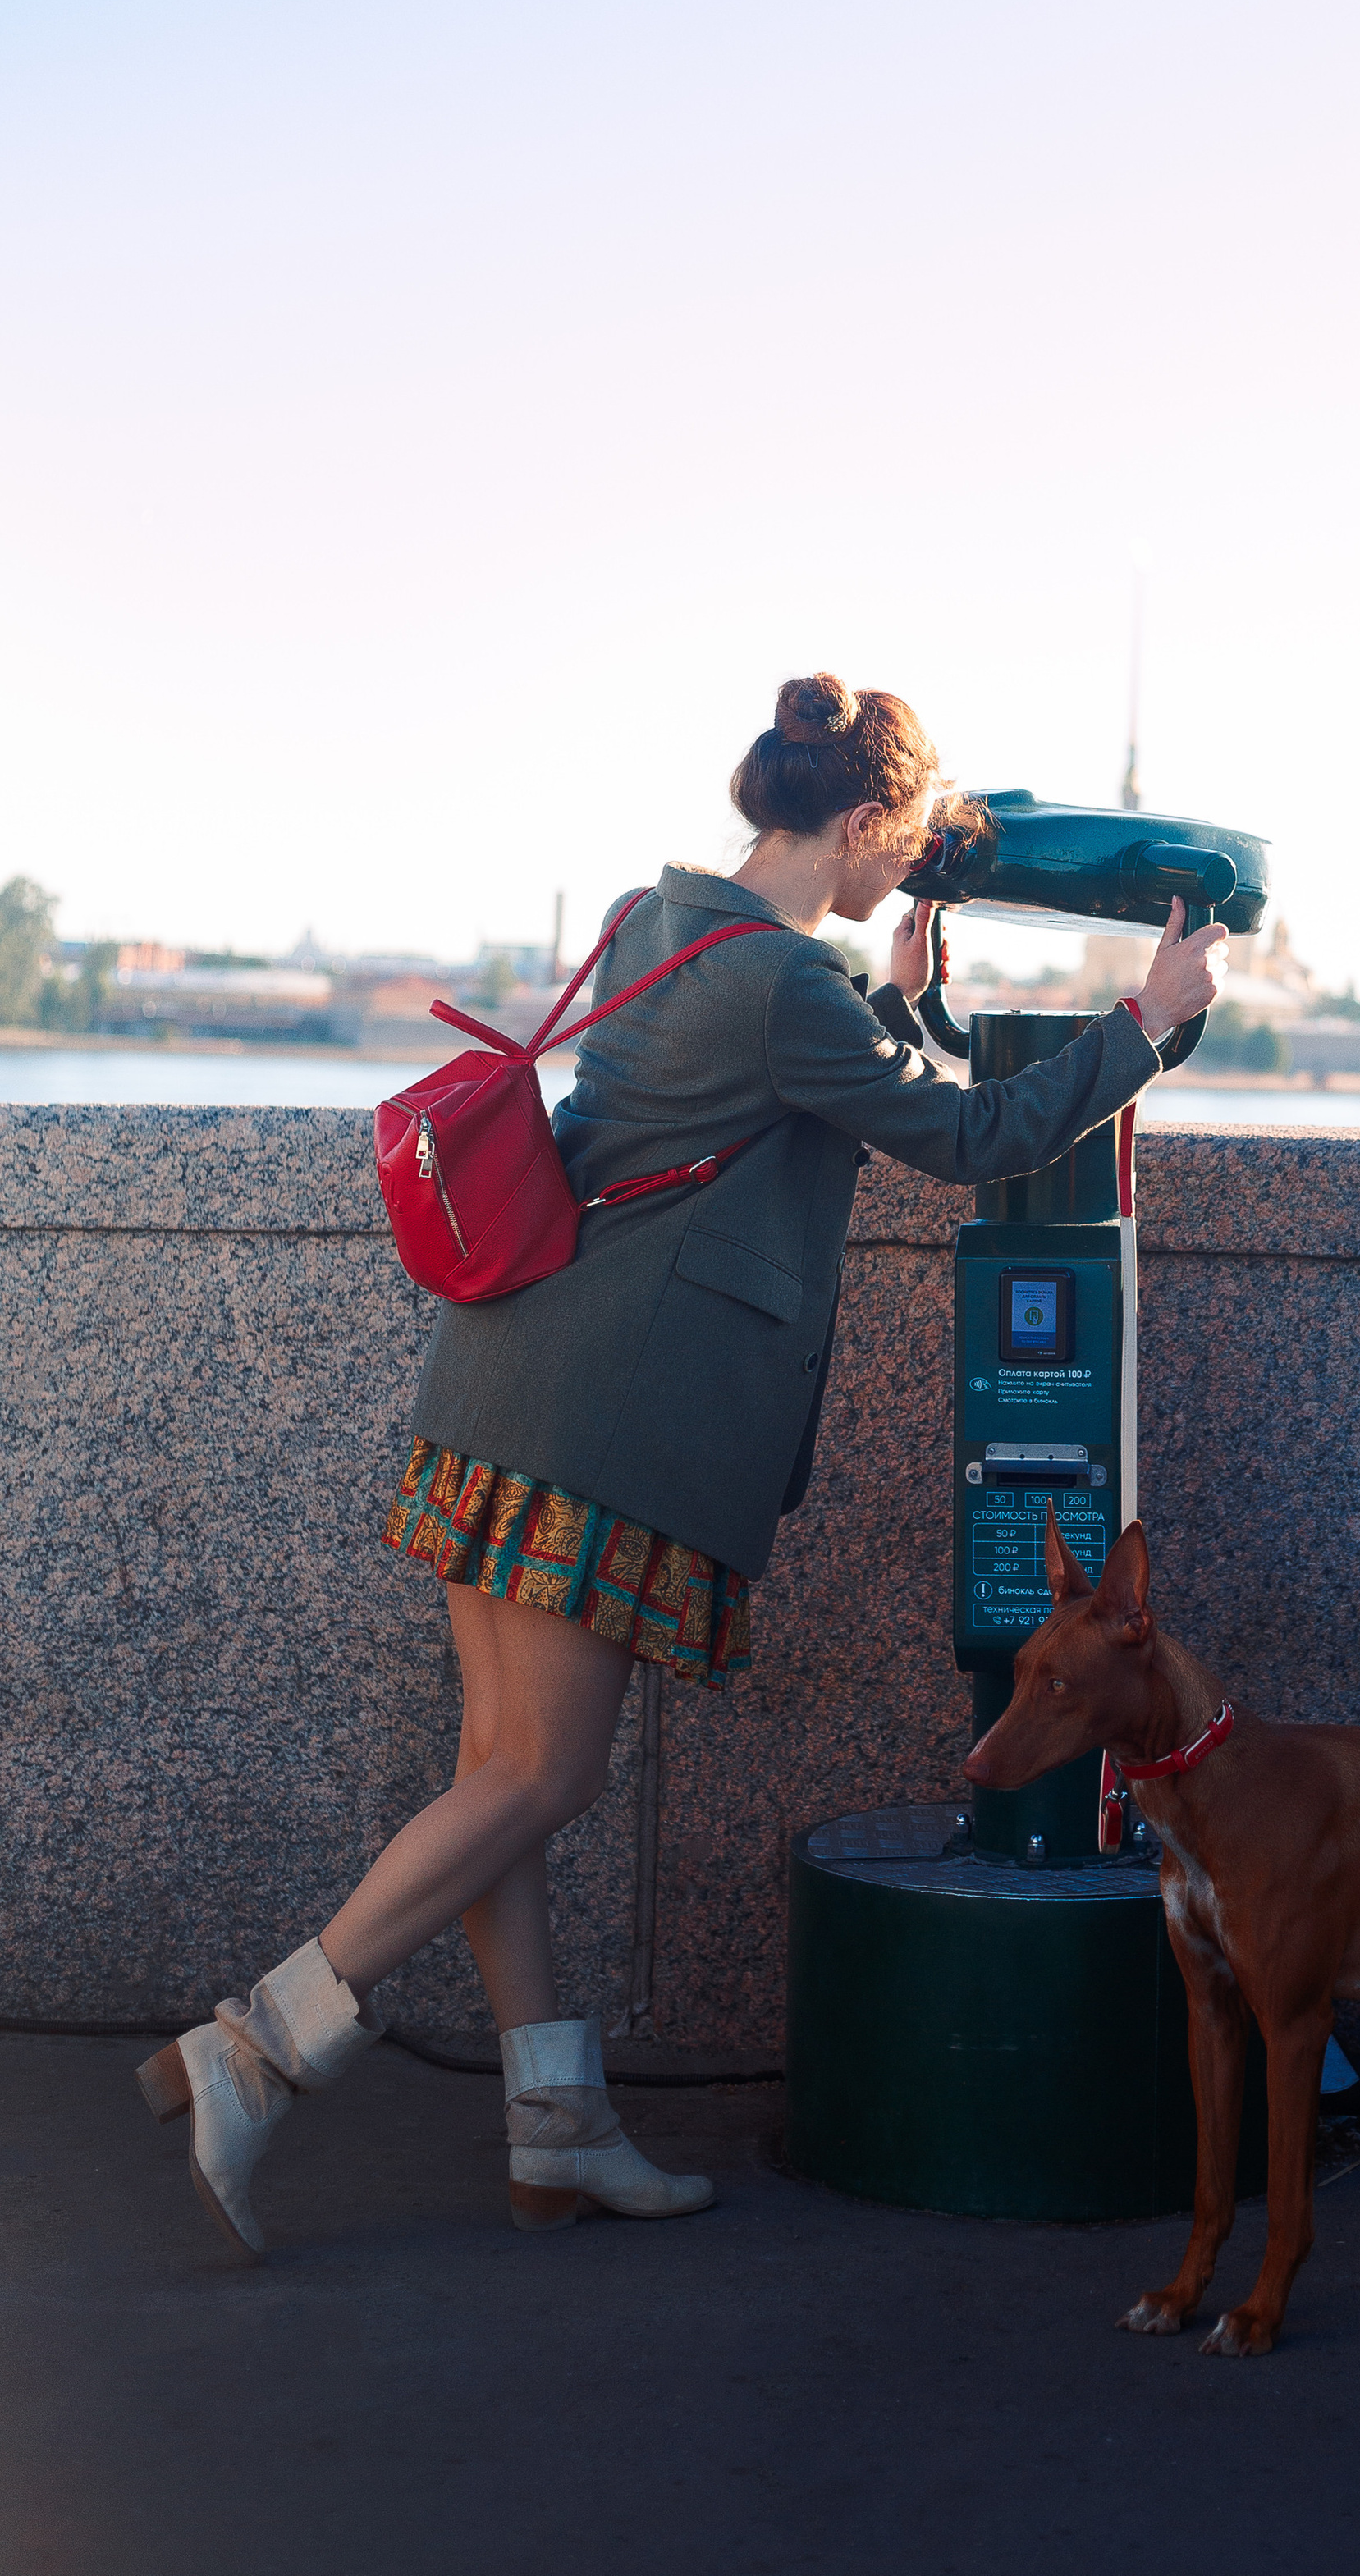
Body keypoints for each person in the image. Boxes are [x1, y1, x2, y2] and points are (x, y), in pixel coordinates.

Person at [135, 672, 1228, 2260]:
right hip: (612, 1424)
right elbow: (974, 1141)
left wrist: (895, 1005)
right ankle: (263, 2048)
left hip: (509, 1384)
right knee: (540, 1780)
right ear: (858, 821)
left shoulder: (665, 921)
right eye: (901, 841)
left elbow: (782, 1092)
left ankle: (557, 2130)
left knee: (495, 1784)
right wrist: (1149, 1020)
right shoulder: (790, 990)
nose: (902, 869)